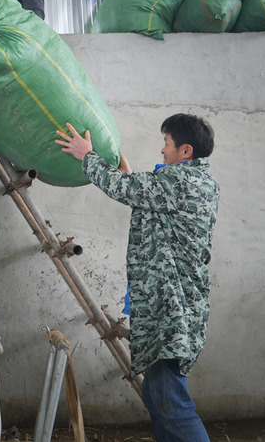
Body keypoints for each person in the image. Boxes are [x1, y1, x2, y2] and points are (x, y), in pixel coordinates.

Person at [55, 114, 219, 442]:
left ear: (186, 151)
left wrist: (87, 155)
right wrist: (129, 177)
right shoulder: (195, 181)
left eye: (167, 143)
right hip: (173, 305)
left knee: (170, 401)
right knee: (159, 396)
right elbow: (150, 202)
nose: (162, 149)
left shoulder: (181, 181)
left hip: (172, 309)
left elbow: (126, 190)